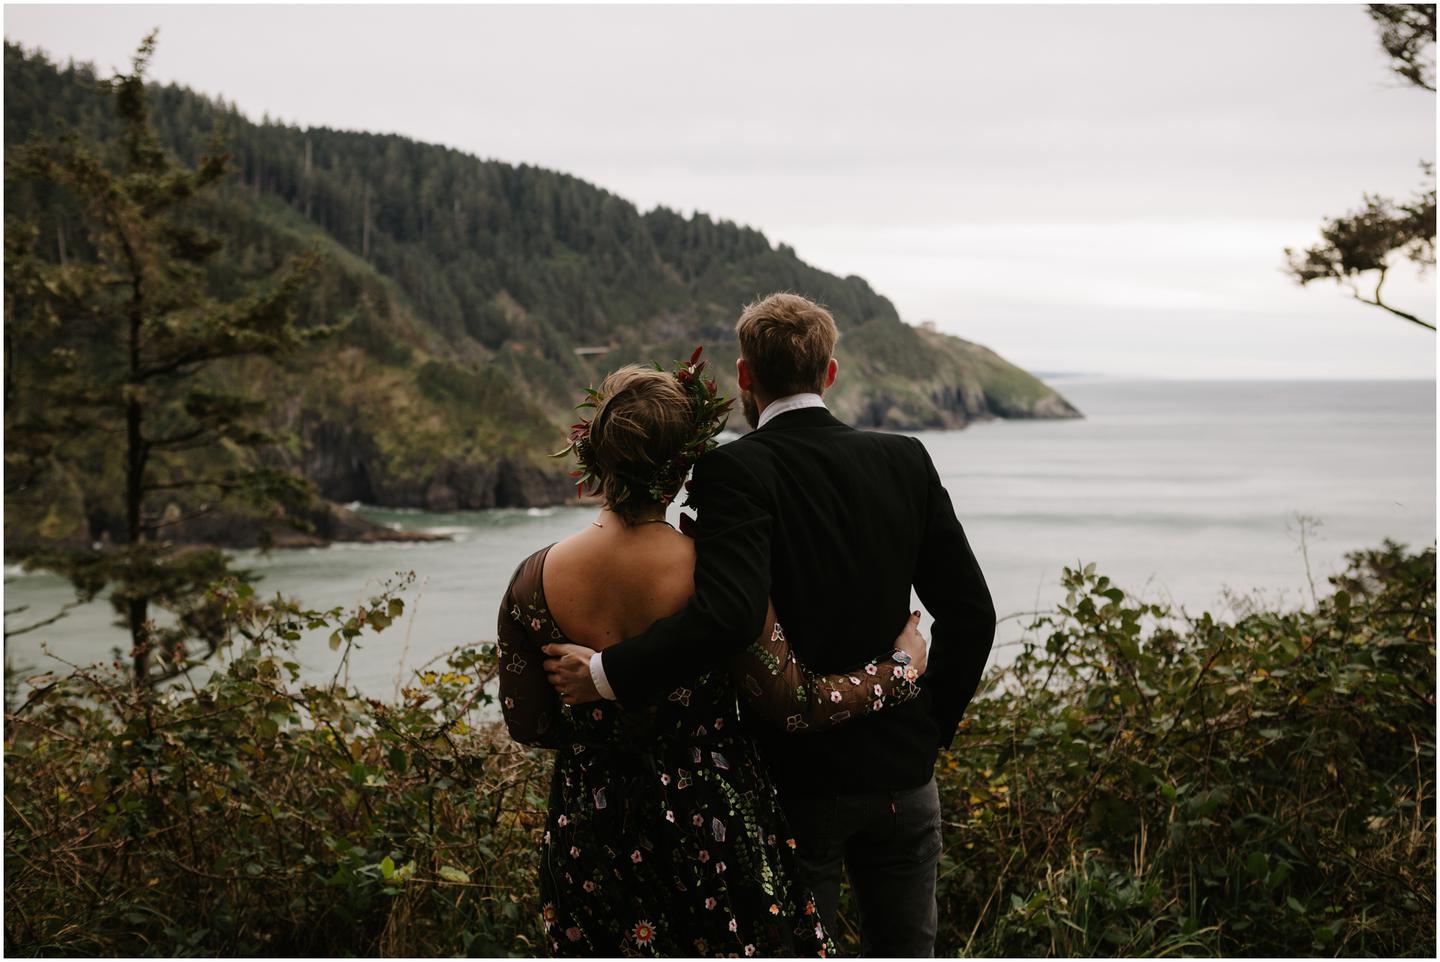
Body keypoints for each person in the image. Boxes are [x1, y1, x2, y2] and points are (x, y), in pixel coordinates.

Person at [543, 293, 996, 957]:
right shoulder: (906, 459)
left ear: (745, 376)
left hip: (796, 785)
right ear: (830, 373)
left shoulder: (735, 470)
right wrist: (929, 729)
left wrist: (609, 674)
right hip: (904, 774)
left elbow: (726, 615)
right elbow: (971, 613)